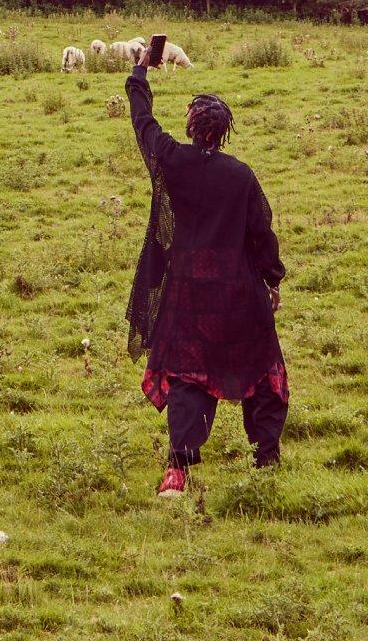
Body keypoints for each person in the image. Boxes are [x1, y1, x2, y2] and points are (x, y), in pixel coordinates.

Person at [124, 48, 287, 494]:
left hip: (188, 294)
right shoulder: (241, 175)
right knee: (261, 372)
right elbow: (262, 234)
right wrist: (271, 281)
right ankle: (266, 460)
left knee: (187, 376)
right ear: (224, 133)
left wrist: (141, 69)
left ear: (193, 127)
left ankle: (178, 470)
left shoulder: (171, 160)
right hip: (238, 292)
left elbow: (142, 121)